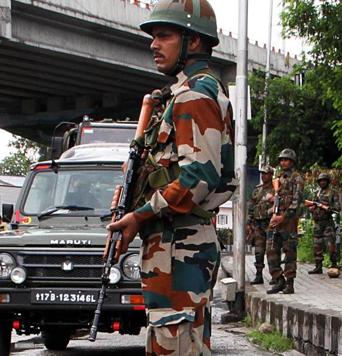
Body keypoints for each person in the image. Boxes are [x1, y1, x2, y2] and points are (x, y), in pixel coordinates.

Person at [107, 0, 236, 353]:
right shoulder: (179, 93)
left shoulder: (194, 94)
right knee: (177, 340)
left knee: (175, 341)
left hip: (181, 242)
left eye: (164, 35)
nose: (153, 44)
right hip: (174, 240)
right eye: (153, 36)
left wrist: (139, 215)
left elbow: (198, 177)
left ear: (193, 41)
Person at [266, 148, 304, 295]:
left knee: (289, 254)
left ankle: (289, 283)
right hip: (276, 219)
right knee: (271, 251)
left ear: (292, 161)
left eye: (286, 159)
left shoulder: (297, 178)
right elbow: (277, 200)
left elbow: (297, 201)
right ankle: (278, 279)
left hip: (288, 221)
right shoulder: (279, 179)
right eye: (281, 160)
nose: (283, 162)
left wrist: (284, 216)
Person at [305, 172, 341, 275]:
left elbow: (337, 208)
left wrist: (328, 208)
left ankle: (334, 264)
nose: (322, 182)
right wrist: (312, 208)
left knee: (331, 244)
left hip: (328, 223)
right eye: (320, 181)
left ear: (328, 182)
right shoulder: (316, 192)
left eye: (324, 180)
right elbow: (310, 205)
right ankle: (318, 266)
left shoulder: (333, 193)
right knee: (317, 244)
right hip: (317, 223)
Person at [247, 165, 275, 285]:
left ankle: (275, 276)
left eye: (266, 173)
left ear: (271, 175)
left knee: (272, 251)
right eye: (262, 174)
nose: (263, 176)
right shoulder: (257, 190)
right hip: (258, 224)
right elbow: (251, 206)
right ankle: (258, 275)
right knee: (259, 251)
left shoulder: (275, 190)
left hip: (270, 223)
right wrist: (249, 222)